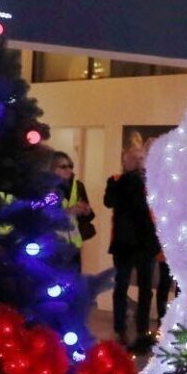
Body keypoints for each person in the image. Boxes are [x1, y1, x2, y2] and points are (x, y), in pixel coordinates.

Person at [103, 144, 160, 350]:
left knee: (146, 290)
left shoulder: (152, 181)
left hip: (146, 244)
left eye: (141, 158)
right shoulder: (116, 181)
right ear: (125, 161)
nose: (138, 161)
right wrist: (129, 178)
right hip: (124, 245)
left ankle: (143, 328)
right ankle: (120, 328)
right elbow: (109, 202)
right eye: (134, 158)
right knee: (121, 286)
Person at [51, 151, 96, 244]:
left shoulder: (78, 186)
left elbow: (89, 217)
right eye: (63, 167)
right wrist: (68, 212)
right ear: (52, 168)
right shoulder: (45, 187)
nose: (69, 170)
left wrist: (86, 211)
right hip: (52, 243)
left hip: (73, 244)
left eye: (71, 167)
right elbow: (40, 214)